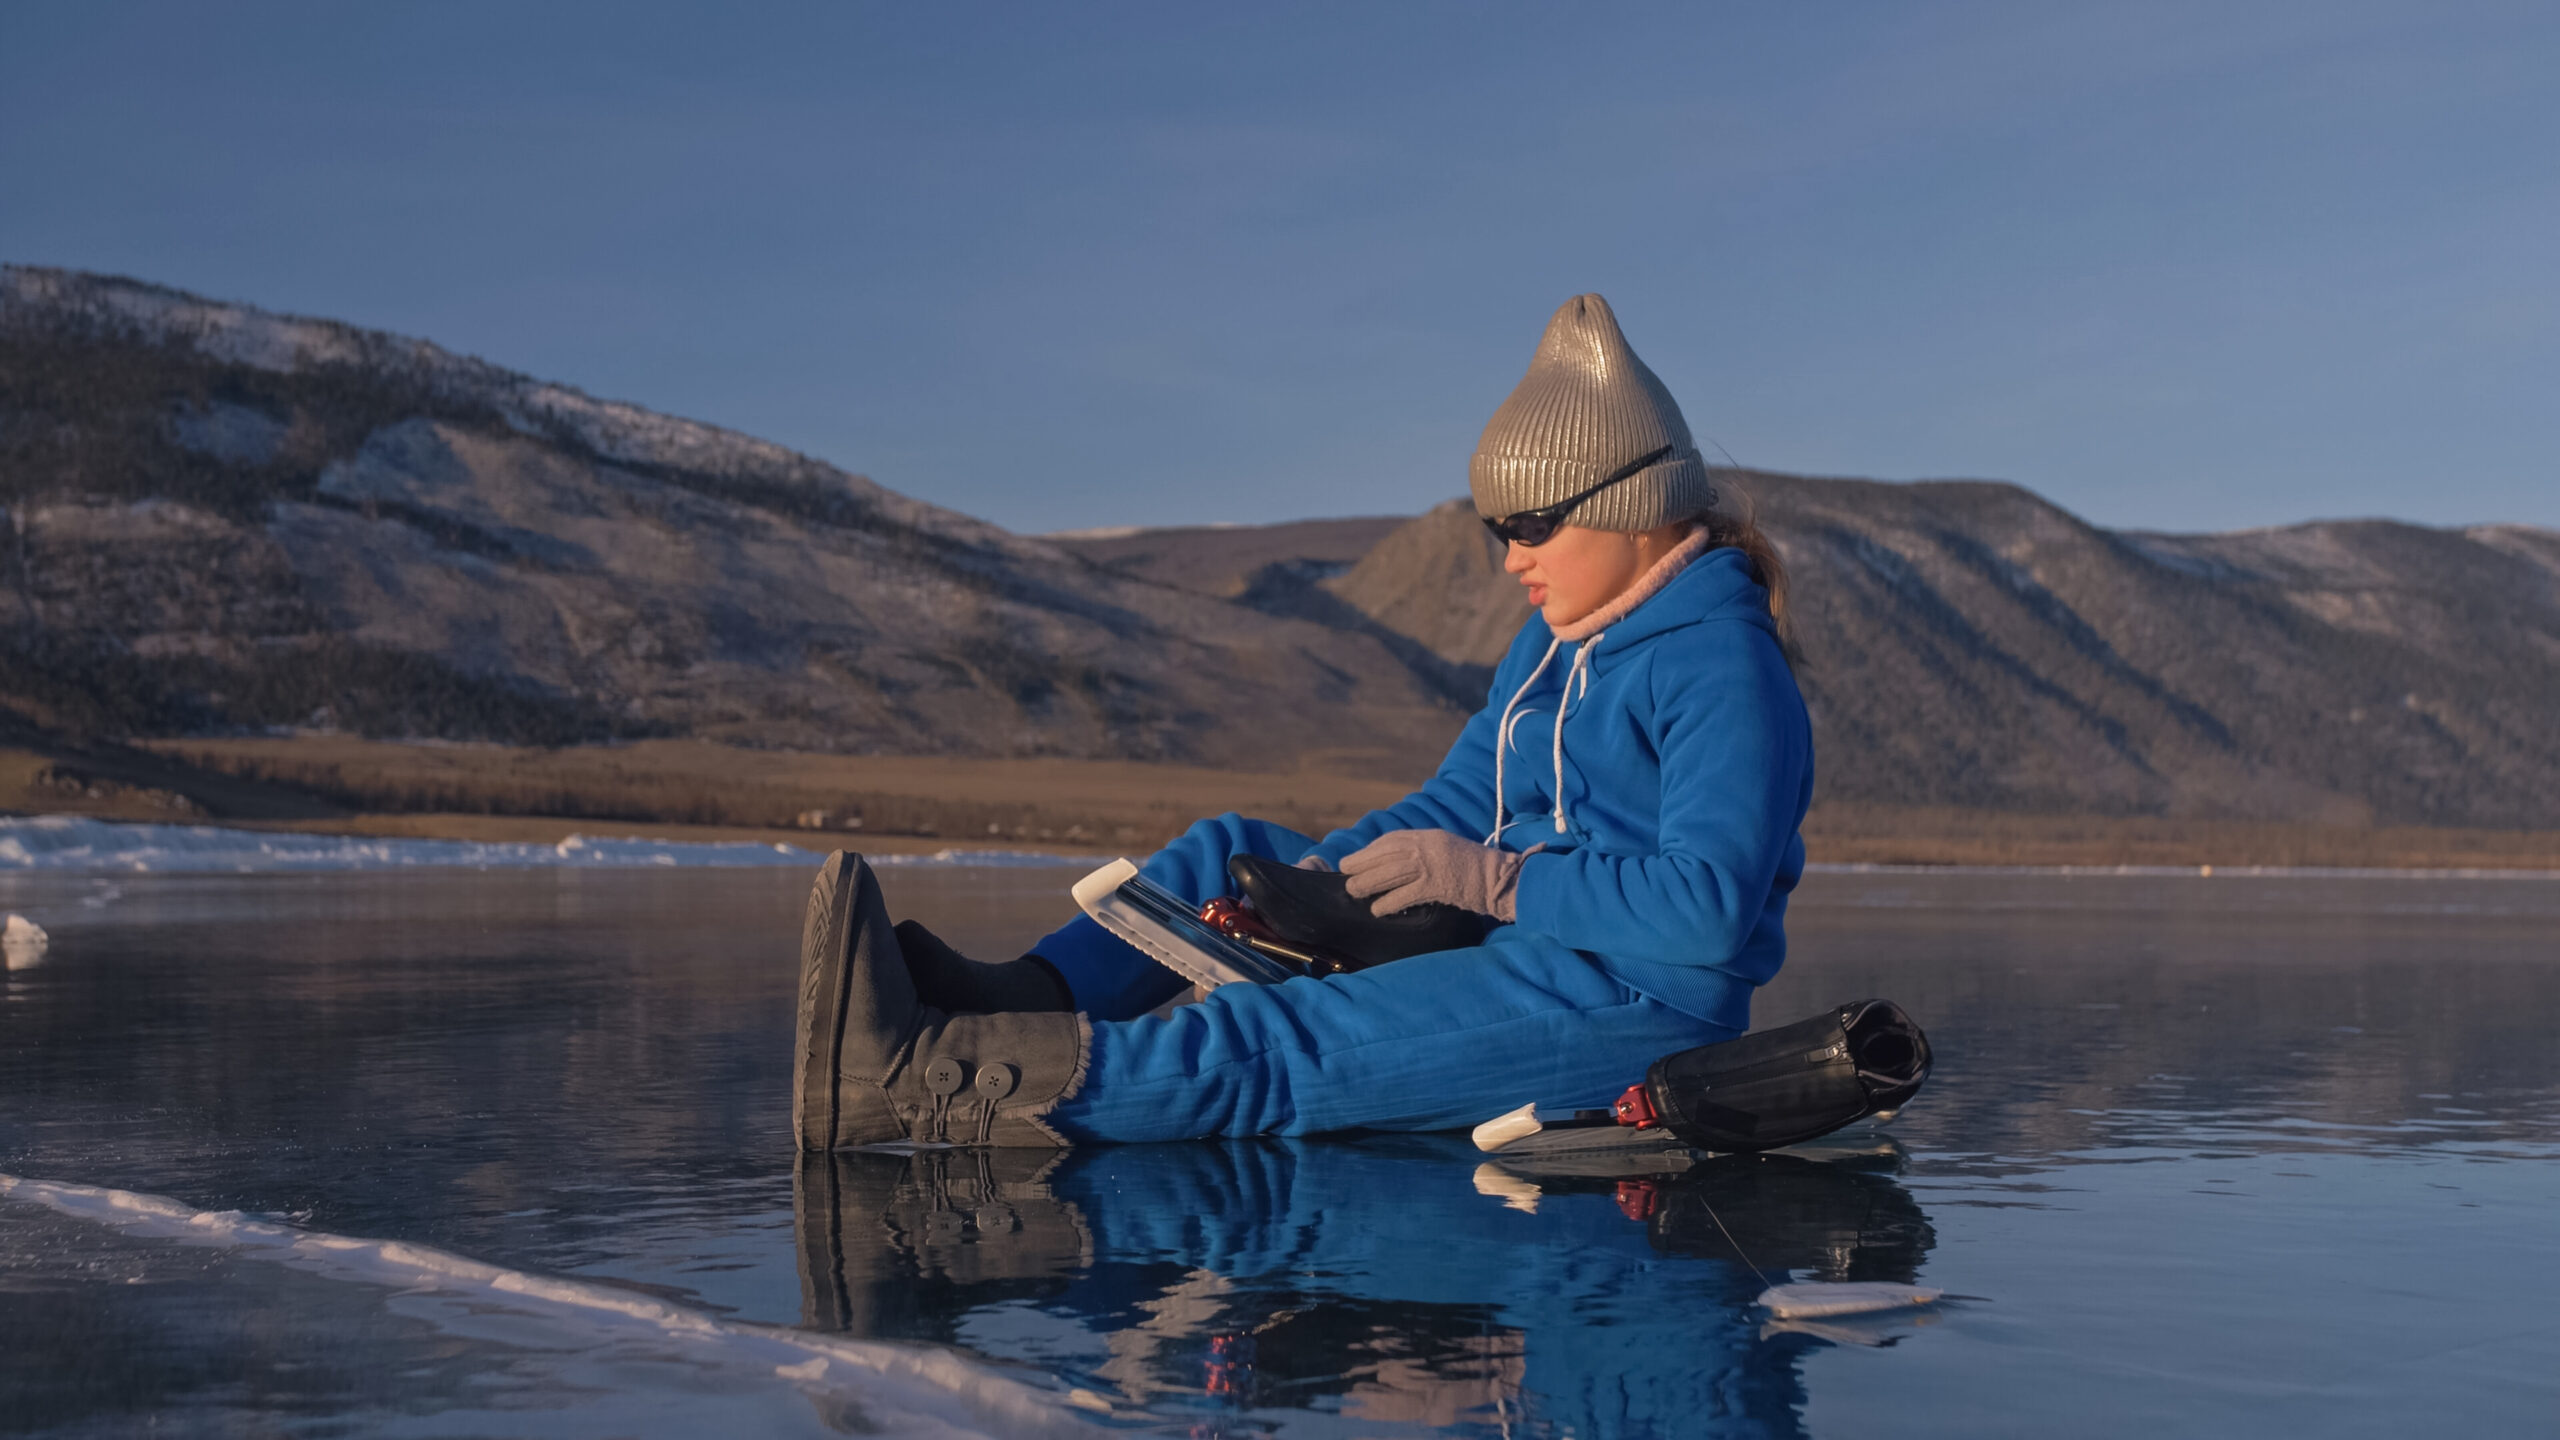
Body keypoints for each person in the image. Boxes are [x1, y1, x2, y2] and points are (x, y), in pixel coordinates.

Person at [794, 293, 1813, 1149]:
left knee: (1280, 1044)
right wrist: (1324, 884)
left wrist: (1495, 882)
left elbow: (1708, 912)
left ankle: (935, 1079)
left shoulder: (1723, 669)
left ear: (1633, 506)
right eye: (1497, 531)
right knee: (1225, 855)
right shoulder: (1553, 643)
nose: (1511, 557)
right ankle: (1009, 1003)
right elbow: (1466, 797)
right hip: (1507, 942)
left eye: (1532, 526)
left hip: (1626, 1000)